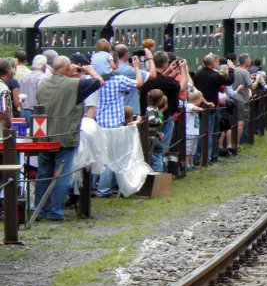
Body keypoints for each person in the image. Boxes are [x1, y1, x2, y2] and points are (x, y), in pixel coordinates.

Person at [33, 56, 103, 221]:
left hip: (44, 136)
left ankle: (40, 210)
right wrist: (89, 70)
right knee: (62, 176)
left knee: (43, 174)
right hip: (65, 135)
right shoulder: (74, 84)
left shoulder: (43, 84)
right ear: (66, 69)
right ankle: (55, 212)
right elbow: (99, 82)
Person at [94, 54, 144, 196]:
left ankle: (94, 185)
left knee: (98, 156)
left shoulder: (93, 81)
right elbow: (139, 83)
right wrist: (136, 67)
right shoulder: (118, 80)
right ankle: (104, 189)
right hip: (114, 123)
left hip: (98, 123)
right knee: (112, 158)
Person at [139, 51, 182, 173]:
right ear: (165, 64)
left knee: (150, 147)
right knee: (159, 149)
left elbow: (158, 78)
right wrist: (184, 70)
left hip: (145, 117)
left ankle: (153, 171)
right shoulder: (163, 82)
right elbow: (182, 87)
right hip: (162, 118)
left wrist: (167, 72)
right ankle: (158, 173)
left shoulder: (147, 79)